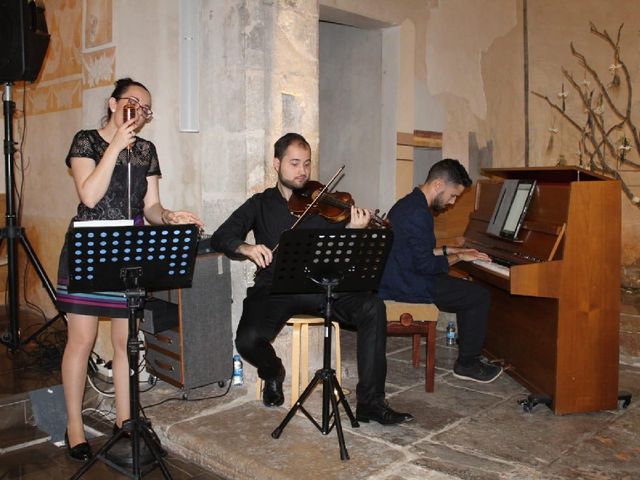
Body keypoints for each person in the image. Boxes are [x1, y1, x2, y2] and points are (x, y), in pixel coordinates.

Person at [211, 132, 412, 425]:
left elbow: (349, 259)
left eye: (306, 163)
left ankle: (370, 401)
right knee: (247, 340)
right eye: (294, 163)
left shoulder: (326, 204)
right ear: (276, 164)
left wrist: (355, 231)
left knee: (373, 307)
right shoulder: (260, 204)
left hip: (322, 288)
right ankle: (273, 372)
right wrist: (247, 248)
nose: (302, 171)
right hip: (274, 288)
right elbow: (221, 237)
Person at [56, 78, 203, 461]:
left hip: (130, 251)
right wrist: (116, 146)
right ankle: (74, 425)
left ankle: (126, 419)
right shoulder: (85, 141)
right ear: (112, 103)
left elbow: (151, 207)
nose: (139, 112)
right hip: (91, 247)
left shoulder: (147, 151)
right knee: (82, 340)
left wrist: (169, 216)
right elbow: (89, 195)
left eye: (146, 108)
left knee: (126, 342)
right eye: (132, 103)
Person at [378, 158, 503, 383]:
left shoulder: (409, 204)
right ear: (438, 185)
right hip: (405, 284)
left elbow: (418, 252)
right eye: (452, 195)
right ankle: (468, 363)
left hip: (402, 274)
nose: (452, 202)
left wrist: (449, 250)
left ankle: (469, 352)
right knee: (477, 295)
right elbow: (425, 265)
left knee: (465, 288)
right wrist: (457, 257)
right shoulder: (418, 213)